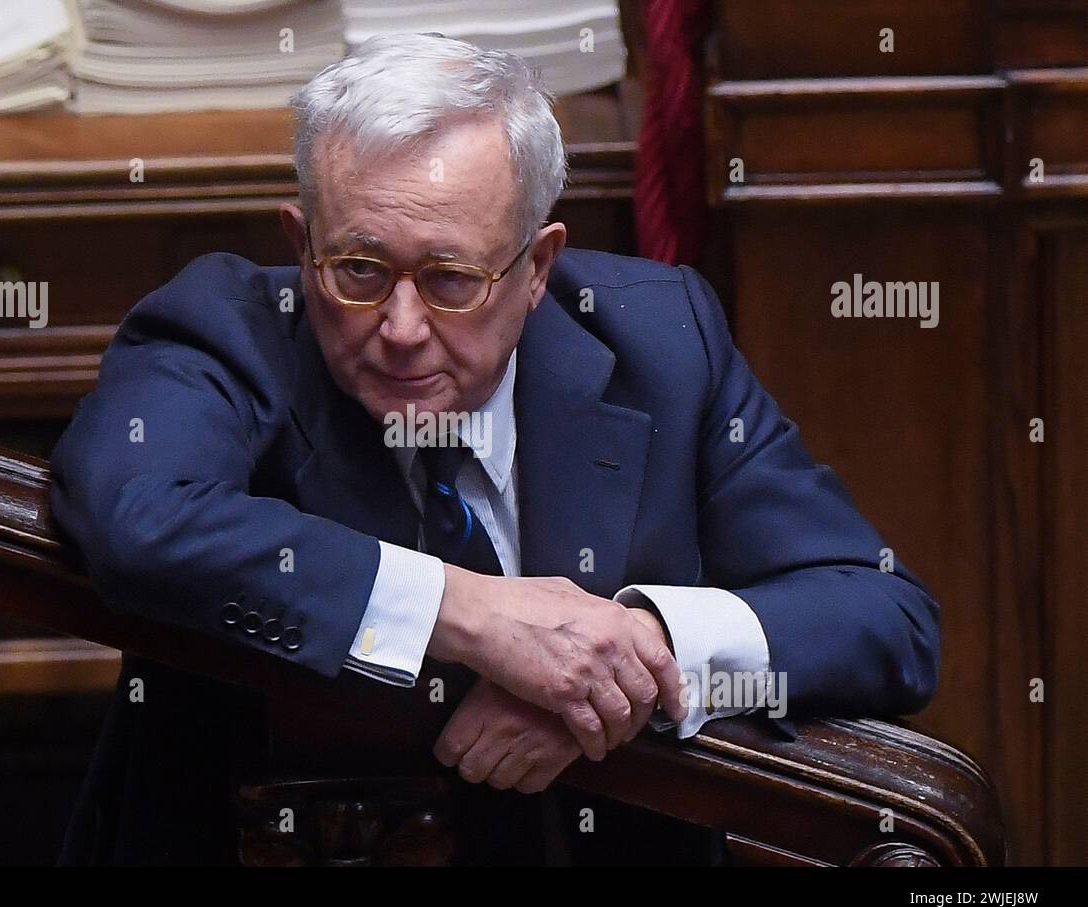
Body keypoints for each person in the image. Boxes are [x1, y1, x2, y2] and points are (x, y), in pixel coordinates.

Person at [48, 33, 940, 865]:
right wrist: (477, 618)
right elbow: (135, 514)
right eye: (358, 271)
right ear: (300, 243)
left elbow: (883, 617)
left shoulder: (662, 340)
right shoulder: (226, 327)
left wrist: (627, 655)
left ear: (538, 268)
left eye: (450, 281)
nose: (401, 329)